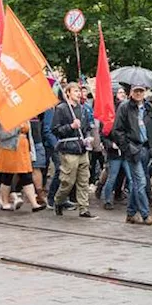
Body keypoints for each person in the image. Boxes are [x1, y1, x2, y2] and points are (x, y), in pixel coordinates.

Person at [112, 83, 152, 226]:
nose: (139, 93)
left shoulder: (149, 108)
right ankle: (145, 215)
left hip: (146, 149)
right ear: (131, 92)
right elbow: (117, 131)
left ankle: (130, 213)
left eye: (141, 90)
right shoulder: (124, 107)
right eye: (136, 91)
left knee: (137, 182)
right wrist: (127, 148)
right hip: (133, 149)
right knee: (141, 182)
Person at [51, 82, 98, 218]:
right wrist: (70, 126)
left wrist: (88, 138)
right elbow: (55, 130)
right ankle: (58, 200)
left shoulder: (83, 110)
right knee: (68, 181)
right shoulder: (61, 109)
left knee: (84, 180)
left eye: (79, 91)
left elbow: (86, 129)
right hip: (69, 149)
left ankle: (84, 208)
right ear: (68, 93)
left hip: (82, 149)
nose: (79, 93)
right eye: (75, 91)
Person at [0, 120, 44, 212]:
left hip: (23, 150)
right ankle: (4, 202)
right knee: (7, 176)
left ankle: (34, 204)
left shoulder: (24, 116)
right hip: (9, 150)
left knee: (27, 176)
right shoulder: (3, 117)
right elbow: (2, 135)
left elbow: (29, 136)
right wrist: (17, 128)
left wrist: (31, 152)